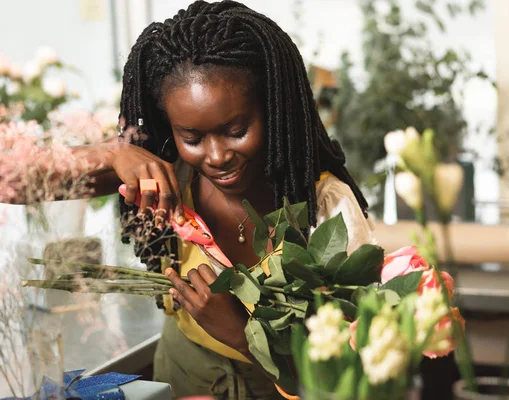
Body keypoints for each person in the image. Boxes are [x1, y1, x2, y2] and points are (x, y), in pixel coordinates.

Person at [15, 1, 377, 398]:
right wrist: (114, 152)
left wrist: (242, 336)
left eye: (236, 129)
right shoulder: (171, 176)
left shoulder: (326, 206)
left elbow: (352, 372)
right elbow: (10, 180)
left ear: (272, 109)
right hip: (179, 378)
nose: (218, 156)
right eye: (192, 138)